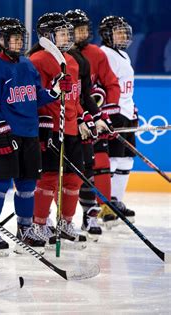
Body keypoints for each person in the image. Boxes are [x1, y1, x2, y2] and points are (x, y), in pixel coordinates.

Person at [0, 17, 70, 256]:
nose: (19, 43)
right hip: (4, 135)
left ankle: (25, 228)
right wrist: (0, 132)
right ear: (0, 40)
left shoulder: (28, 65)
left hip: (29, 134)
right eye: (14, 39)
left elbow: (37, 96)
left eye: (21, 39)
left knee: (28, 185)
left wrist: (55, 90)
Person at [27, 12, 90, 248]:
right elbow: (34, 96)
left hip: (71, 128)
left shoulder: (71, 60)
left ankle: (65, 222)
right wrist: (42, 123)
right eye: (62, 33)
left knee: (73, 179)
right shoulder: (38, 60)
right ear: (47, 36)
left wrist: (83, 117)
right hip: (51, 129)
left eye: (67, 33)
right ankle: (40, 224)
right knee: (49, 178)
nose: (67, 37)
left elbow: (73, 98)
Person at [64, 9, 118, 239]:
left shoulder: (95, 53)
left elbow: (111, 85)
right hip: (69, 121)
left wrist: (105, 113)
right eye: (78, 30)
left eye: (85, 29)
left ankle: (92, 214)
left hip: (90, 119)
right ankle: (50, 219)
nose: (83, 33)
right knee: (62, 174)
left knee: (93, 168)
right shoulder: (60, 57)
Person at [97, 16, 138, 226]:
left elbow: (125, 87)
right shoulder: (104, 54)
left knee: (126, 159)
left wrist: (133, 108)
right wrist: (107, 114)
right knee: (112, 158)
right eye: (118, 32)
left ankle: (117, 200)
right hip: (115, 113)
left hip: (128, 113)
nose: (123, 36)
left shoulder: (123, 54)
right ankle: (108, 202)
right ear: (106, 35)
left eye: (124, 32)